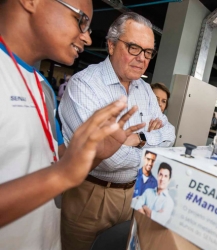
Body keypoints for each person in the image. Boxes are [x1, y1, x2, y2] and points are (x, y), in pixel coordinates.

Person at [0, 0, 144, 249]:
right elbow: (58, 173)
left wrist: (94, 153)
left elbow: (52, 159)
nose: (87, 38)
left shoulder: (41, 85)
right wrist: (61, 176)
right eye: (81, 20)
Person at [59, 12, 176, 250]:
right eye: (133, 48)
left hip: (134, 194)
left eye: (148, 52)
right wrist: (150, 151)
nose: (142, 58)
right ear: (111, 45)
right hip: (91, 195)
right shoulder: (85, 85)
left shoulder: (144, 90)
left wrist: (140, 138)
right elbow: (106, 159)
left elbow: (170, 134)